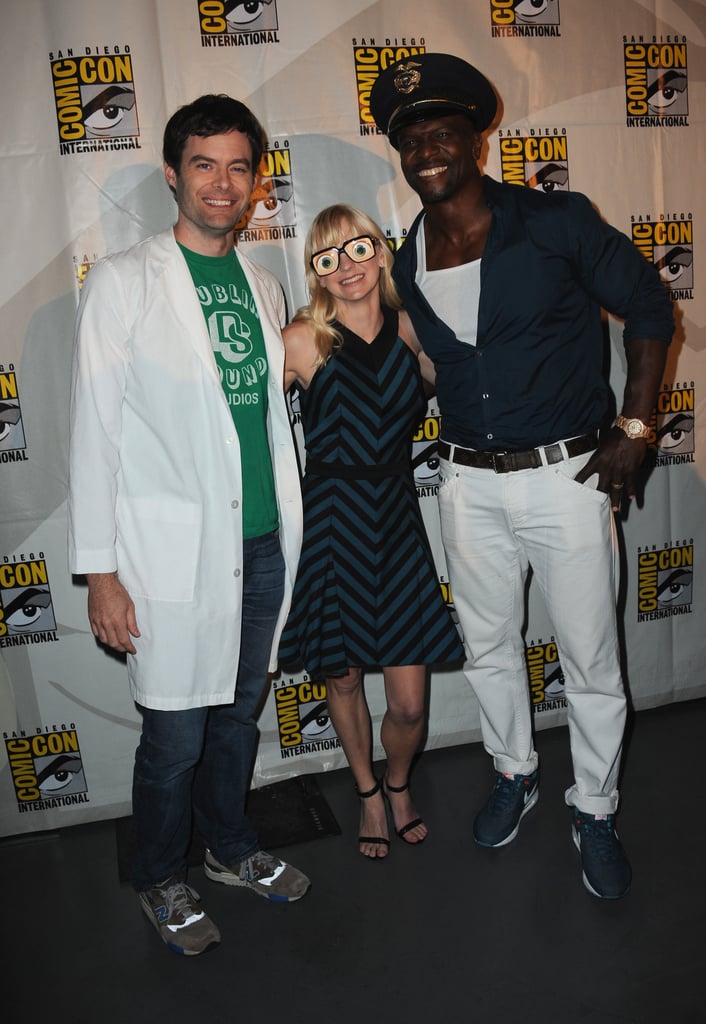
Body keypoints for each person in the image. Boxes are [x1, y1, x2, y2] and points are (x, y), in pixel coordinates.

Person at [369, 54, 674, 898]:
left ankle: (597, 806)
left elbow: (651, 304)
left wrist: (637, 429)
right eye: (410, 139)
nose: (428, 149)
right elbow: (442, 364)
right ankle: (516, 773)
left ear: (476, 137)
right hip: (467, 484)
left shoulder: (555, 220)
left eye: (442, 132)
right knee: (490, 647)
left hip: (567, 478)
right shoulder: (405, 259)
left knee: (590, 658)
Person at [68, 94, 309, 956]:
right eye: (203, 164)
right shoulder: (125, 281)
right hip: (171, 553)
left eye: (239, 166)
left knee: (241, 716)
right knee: (174, 733)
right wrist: (101, 571)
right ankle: (161, 876)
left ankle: (231, 849)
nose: (222, 183)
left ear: (255, 182)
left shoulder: (264, 281)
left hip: (261, 543)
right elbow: (93, 432)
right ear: (172, 173)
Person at [279, 204, 464, 858]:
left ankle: (398, 780)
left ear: (381, 253)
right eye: (327, 258)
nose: (346, 267)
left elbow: (463, 386)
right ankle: (366, 794)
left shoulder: (413, 330)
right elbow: (245, 426)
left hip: (395, 520)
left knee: (409, 704)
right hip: (332, 521)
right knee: (346, 678)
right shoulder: (301, 339)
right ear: (316, 274)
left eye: (357, 249)